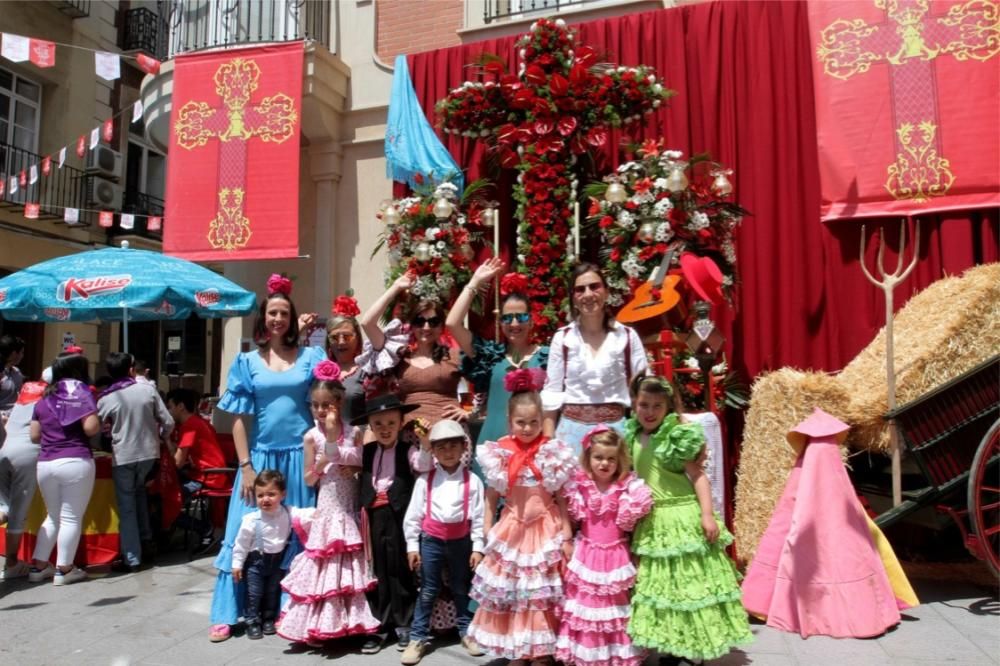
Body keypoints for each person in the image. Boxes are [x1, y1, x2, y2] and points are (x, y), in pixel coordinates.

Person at [208, 274, 322, 643]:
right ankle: (228, 612)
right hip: (259, 461)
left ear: (292, 318)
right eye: (272, 313)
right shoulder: (245, 362)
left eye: (284, 313)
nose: (278, 319)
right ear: (264, 319)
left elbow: (326, 402)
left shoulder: (312, 356)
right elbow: (239, 419)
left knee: (299, 536)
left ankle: (295, 608)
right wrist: (245, 466)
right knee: (243, 532)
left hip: (301, 457)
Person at [624, 375, 751, 662]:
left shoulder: (676, 436)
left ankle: (694, 648)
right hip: (652, 520)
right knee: (664, 587)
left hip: (682, 515)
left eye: (657, 405)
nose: (649, 411)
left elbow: (698, 476)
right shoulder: (633, 435)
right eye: (644, 404)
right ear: (634, 404)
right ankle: (672, 644)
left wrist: (707, 514)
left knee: (688, 583)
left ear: (668, 406)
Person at [466, 368, 577, 664]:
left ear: (543, 421)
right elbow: (491, 496)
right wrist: (488, 527)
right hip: (512, 526)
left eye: (533, 422)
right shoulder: (499, 451)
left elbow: (562, 497)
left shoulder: (551, 451)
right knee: (514, 592)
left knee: (540, 592)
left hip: (545, 527)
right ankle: (517, 648)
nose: (527, 428)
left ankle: (540, 650)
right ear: (509, 421)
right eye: (521, 422)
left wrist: (567, 532)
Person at [278, 361, 380, 644]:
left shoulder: (356, 432)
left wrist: (356, 468)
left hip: (350, 504)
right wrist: (326, 456)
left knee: (350, 564)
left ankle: (353, 623)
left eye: (327, 405)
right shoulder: (311, 437)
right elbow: (309, 479)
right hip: (328, 505)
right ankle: (323, 623)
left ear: (339, 401)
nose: (321, 411)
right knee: (328, 561)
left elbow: (363, 463)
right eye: (315, 405)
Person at [555, 426, 652, 666]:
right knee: (587, 607)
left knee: (614, 609)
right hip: (587, 554)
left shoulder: (626, 488)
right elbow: (567, 512)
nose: (604, 463)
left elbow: (633, 523)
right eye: (598, 457)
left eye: (611, 458)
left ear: (620, 461)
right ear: (588, 458)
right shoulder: (580, 487)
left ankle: (614, 656)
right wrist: (566, 539)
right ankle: (588, 655)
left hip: (616, 556)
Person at [352, 393, 433, 654]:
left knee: (399, 567)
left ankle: (404, 624)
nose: (384, 429)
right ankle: (379, 624)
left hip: (398, 514)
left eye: (390, 423)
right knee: (377, 571)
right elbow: (340, 456)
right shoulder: (365, 451)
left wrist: (425, 443)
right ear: (371, 428)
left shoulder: (407, 450)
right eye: (378, 425)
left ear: (400, 424)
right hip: (373, 516)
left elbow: (423, 465)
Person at [401, 419, 487, 664]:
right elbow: (413, 516)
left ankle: (466, 632)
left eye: (453, 446)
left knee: (461, 587)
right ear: (434, 451)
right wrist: (412, 546)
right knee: (428, 590)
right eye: (441, 447)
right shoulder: (424, 480)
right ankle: (418, 637)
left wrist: (478, 547)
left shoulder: (473, 481)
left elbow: (479, 518)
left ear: (463, 448)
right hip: (431, 542)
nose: (448, 452)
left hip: (461, 542)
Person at [446, 258, 549, 454]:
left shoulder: (548, 357)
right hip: (493, 446)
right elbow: (452, 323)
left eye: (522, 317)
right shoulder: (489, 356)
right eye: (507, 318)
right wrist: (475, 282)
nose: (515, 323)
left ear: (532, 320)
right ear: (500, 322)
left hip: (533, 447)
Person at [542, 263, 647, 455]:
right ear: (573, 298)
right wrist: (549, 446)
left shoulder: (627, 336)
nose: (588, 294)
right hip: (570, 434)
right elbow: (552, 394)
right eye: (580, 289)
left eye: (594, 286)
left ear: (606, 292)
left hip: (616, 434)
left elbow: (644, 388)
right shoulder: (563, 338)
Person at [27, 351, 100, 586]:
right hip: (75, 460)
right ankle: (65, 569)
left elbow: (34, 436)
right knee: (71, 517)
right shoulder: (82, 394)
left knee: (53, 515)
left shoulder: (43, 398)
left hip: (46, 462)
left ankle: (38, 566)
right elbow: (90, 428)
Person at [358, 272, 468, 429]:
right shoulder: (397, 355)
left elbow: (485, 383)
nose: (426, 327)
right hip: (410, 437)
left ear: (442, 326)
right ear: (412, 325)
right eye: (420, 321)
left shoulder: (454, 355)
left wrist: (469, 412)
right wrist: (396, 288)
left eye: (434, 322)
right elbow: (367, 323)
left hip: (449, 437)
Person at [98, 351, 174, 571]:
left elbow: (94, 426)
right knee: (140, 494)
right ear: (131, 370)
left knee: (127, 506)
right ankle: (146, 542)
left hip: (124, 455)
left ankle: (132, 557)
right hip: (150, 454)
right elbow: (167, 422)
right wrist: (160, 437)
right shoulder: (148, 390)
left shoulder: (107, 398)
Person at [231, 469, 301, 640]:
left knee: (272, 592)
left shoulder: (288, 512)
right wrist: (237, 565)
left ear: (282, 494)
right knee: (254, 594)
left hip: (278, 562)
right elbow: (241, 544)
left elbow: (305, 515)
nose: (266, 499)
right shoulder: (251, 520)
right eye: (260, 495)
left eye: (271, 494)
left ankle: (268, 618)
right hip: (256, 563)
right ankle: (252, 621)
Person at [0, 370, 49, 580]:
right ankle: (11, 562)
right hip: (27, 454)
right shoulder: (50, 397)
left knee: (4, 506)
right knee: (17, 509)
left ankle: (11, 561)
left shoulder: (25, 392)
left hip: (4, 451)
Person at [165, 387, 228, 550]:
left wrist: (166, 440)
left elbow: (177, 462)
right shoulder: (199, 422)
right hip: (205, 473)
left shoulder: (190, 425)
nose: (168, 411)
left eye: (170, 406)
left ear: (180, 407)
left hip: (209, 476)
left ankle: (204, 529)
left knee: (169, 498)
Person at [326, 293, 367, 424]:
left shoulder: (367, 370)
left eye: (347, 336)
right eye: (335, 337)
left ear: (358, 338)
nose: (341, 342)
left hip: (357, 441)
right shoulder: (320, 371)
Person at [0, 335, 26, 418]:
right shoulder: (1, 374)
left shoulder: (17, 372)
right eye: (21, 352)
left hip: (15, 419)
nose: (22, 356)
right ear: (14, 354)